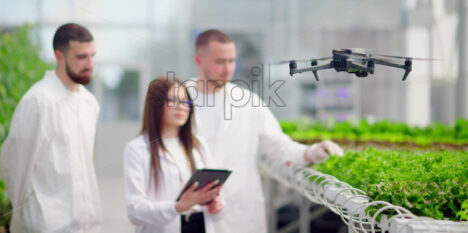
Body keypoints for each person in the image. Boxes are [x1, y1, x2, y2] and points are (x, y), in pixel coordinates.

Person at [187, 29, 344, 233]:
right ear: (199, 61)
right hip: (190, 215)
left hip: (237, 213)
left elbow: (280, 147)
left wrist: (313, 152)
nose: (228, 69)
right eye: (220, 62)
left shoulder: (249, 102)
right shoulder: (178, 100)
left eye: (232, 61)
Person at [0, 23, 101, 232]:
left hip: (85, 223)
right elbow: (15, 167)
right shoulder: (38, 101)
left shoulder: (90, 103)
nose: (90, 63)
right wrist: (30, 218)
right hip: (45, 224)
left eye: (92, 55)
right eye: (81, 57)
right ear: (59, 56)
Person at [124, 76, 224, 233]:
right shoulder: (137, 149)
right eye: (173, 100)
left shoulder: (199, 144)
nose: (181, 107)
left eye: (186, 101)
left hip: (200, 225)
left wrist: (216, 203)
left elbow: (215, 192)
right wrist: (177, 207)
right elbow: (135, 211)